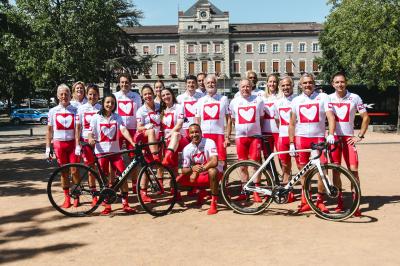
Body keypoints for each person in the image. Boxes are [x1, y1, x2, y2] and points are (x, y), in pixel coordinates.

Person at [288, 73, 336, 213]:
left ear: (314, 83)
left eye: (310, 82)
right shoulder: (296, 100)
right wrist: (291, 142)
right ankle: (305, 199)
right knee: (304, 171)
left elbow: (330, 117)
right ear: (300, 85)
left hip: (318, 139)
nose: (307, 85)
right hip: (301, 138)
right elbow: (291, 124)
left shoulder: (323, 97)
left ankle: (320, 200)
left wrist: (331, 134)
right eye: (305, 83)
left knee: (322, 170)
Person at [328, 72, 370, 217]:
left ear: (346, 82)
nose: (340, 84)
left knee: (354, 170)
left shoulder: (355, 97)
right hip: (334, 139)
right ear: (332, 84)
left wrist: (360, 136)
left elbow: (366, 117)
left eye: (342, 82)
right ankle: (339, 202)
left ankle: (356, 203)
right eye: (337, 82)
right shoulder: (329, 98)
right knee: (336, 170)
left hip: (348, 138)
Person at [87, 94, 136, 215]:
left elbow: (123, 130)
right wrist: (90, 139)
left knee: (123, 176)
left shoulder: (117, 117)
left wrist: (132, 142)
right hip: (101, 153)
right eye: (108, 102)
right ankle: (107, 205)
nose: (110, 105)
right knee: (104, 180)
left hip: (115, 152)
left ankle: (125, 203)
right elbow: (90, 132)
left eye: (113, 103)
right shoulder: (96, 117)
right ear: (103, 103)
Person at [229, 79, 264, 202]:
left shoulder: (258, 100)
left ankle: (256, 191)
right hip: (241, 137)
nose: (245, 89)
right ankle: (244, 190)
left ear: (251, 87)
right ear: (239, 88)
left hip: (255, 137)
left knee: (255, 165)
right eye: (243, 86)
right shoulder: (234, 102)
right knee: (242, 166)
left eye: (248, 86)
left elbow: (261, 118)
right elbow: (233, 119)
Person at [177, 124, 222, 215]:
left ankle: (214, 202)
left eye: (197, 132)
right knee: (176, 182)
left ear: (201, 132)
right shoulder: (187, 149)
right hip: (199, 175)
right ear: (189, 134)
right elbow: (183, 169)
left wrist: (199, 170)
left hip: (214, 173)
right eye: (192, 132)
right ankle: (201, 192)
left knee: (212, 171)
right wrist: (191, 168)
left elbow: (214, 161)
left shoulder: (209, 142)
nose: (194, 134)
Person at [45, 84, 78, 208]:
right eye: (61, 94)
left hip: (73, 143)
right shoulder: (53, 111)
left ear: (70, 95)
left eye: (66, 94)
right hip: (59, 143)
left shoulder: (75, 109)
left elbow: (79, 129)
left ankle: (76, 195)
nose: (64, 96)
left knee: (74, 171)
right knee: (63, 172)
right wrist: (48, 148)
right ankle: (67, 198)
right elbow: (49, 131)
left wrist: (79, 144)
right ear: (58, 96)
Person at [195, 74, 231, 169]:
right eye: (208, 83)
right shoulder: (200, 101)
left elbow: (228, 119)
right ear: (204, 84)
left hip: (219, 134)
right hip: (205, 135)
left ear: (216, 84)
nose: (210, 84)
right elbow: (197, 120)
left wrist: (227, 137)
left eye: (213, 82)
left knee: (222, 160)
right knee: (207, 160)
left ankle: (224, 181)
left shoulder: (223, 99)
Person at [74, 84, 102, 206]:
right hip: (86, 141)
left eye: (95, 94)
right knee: (91, 169)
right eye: (90, 94)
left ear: (98, 95)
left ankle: (102, 192)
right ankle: (94, 194)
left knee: (102, 169)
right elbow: (78, 128)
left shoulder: (102, 107)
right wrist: (77, 144)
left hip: (100, 142)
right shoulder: (81, 108)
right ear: (87, 95)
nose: (92, 96)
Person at [135, 84, 162, 203]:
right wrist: (146, 126)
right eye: (145, 94)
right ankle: (143, 193)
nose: (148, 96)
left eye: (149, 93)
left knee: (155, 166)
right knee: (146, 167)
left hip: (157, 140)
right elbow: (138, 128)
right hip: (145, 139)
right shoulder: (141, 110)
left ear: (153, 94)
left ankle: (163, 187)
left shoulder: (159, 106)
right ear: (142, 96)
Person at [274, 76, 296, 202]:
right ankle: (288, 190)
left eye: (288, 85)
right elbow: (278, 121)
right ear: (280, 87)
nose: (286, 87)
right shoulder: (277, 102)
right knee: (285, 165)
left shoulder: (297, 100)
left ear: (292, 85)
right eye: (283, 86)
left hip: (296, 136)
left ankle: (304, 193)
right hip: (282, 136)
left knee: (300, 165)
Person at [160, 87, 189, 169]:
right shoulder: (163, 110)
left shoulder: (179, 107)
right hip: (168, 142)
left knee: (175, 134)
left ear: (172, 95)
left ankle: (167, 158)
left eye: (168, 94)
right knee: (172, 170)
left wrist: (168, 135)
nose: (166, 96)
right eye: (163, 95)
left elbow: (179, 125)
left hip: (180, 139)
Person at [113, 73, 142, 156]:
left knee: (133, 156)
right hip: (118, 129)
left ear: (130, 83)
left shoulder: (136, 96)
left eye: (126, 82)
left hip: (133, 129)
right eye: (122, 82)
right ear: (119, 83)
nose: (124, 84)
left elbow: (139, 113)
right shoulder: (114, 96)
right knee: (115, 156)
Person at [261, 73, 281, 158]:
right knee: (267, 156)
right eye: (270, 82)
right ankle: (271, 172)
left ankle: (285, 172)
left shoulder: (281, 96)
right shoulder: (262, 97)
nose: (272, 84)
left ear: (277, 84)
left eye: (274, 82)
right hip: (266, 131)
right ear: (267, 83)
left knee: (281, 156)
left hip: (279, 131)